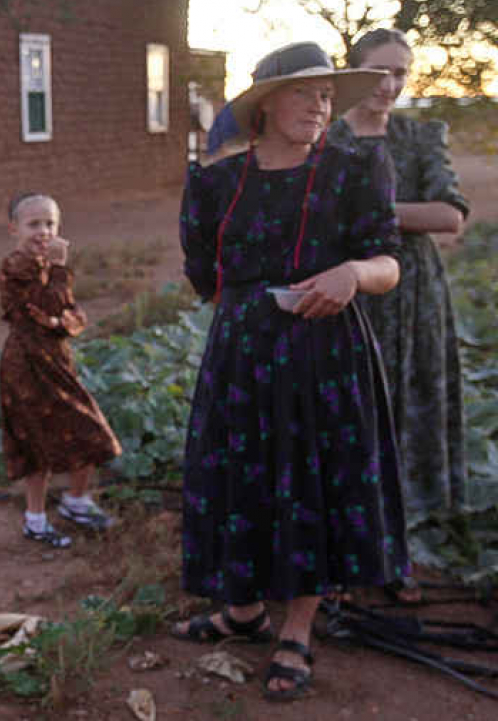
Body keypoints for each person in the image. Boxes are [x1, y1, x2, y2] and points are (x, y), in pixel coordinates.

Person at [168, 42, 410, 702]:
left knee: (311, 481)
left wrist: (352, 274)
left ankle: (297, 630)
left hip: (325, 353)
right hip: (242, 357)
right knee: (239, 479)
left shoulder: (355, 170)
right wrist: (254, 321)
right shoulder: (216, 183)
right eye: (305, 92)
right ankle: (242, 610)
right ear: (265, 103)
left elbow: (388, 262)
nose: (319, 105)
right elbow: (206, 280)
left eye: (327, 95)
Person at [329, 29, 470, 603]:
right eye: (378, 73)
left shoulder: (418, 136)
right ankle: (338, 554)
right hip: (342, 293)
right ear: (354, 72)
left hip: (411, 295)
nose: (389, 86)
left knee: (404, 419)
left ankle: (395, 554)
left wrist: (371, 213)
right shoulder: (326, 138)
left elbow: (449, 214)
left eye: (401, 75)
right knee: (344, 418)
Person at [0, 192, 122, 548]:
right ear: (14, 229)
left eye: (50, 224)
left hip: (56, 361)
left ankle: (75, 501)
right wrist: (60, 275)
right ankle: (35, 521)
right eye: (33, 224)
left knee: (88, 429)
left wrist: (60, 316)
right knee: (34, 442)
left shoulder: (48, 268)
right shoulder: (17, 266)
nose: (43, 232)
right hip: (26, 365)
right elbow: (50, 307)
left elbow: (73, 315)